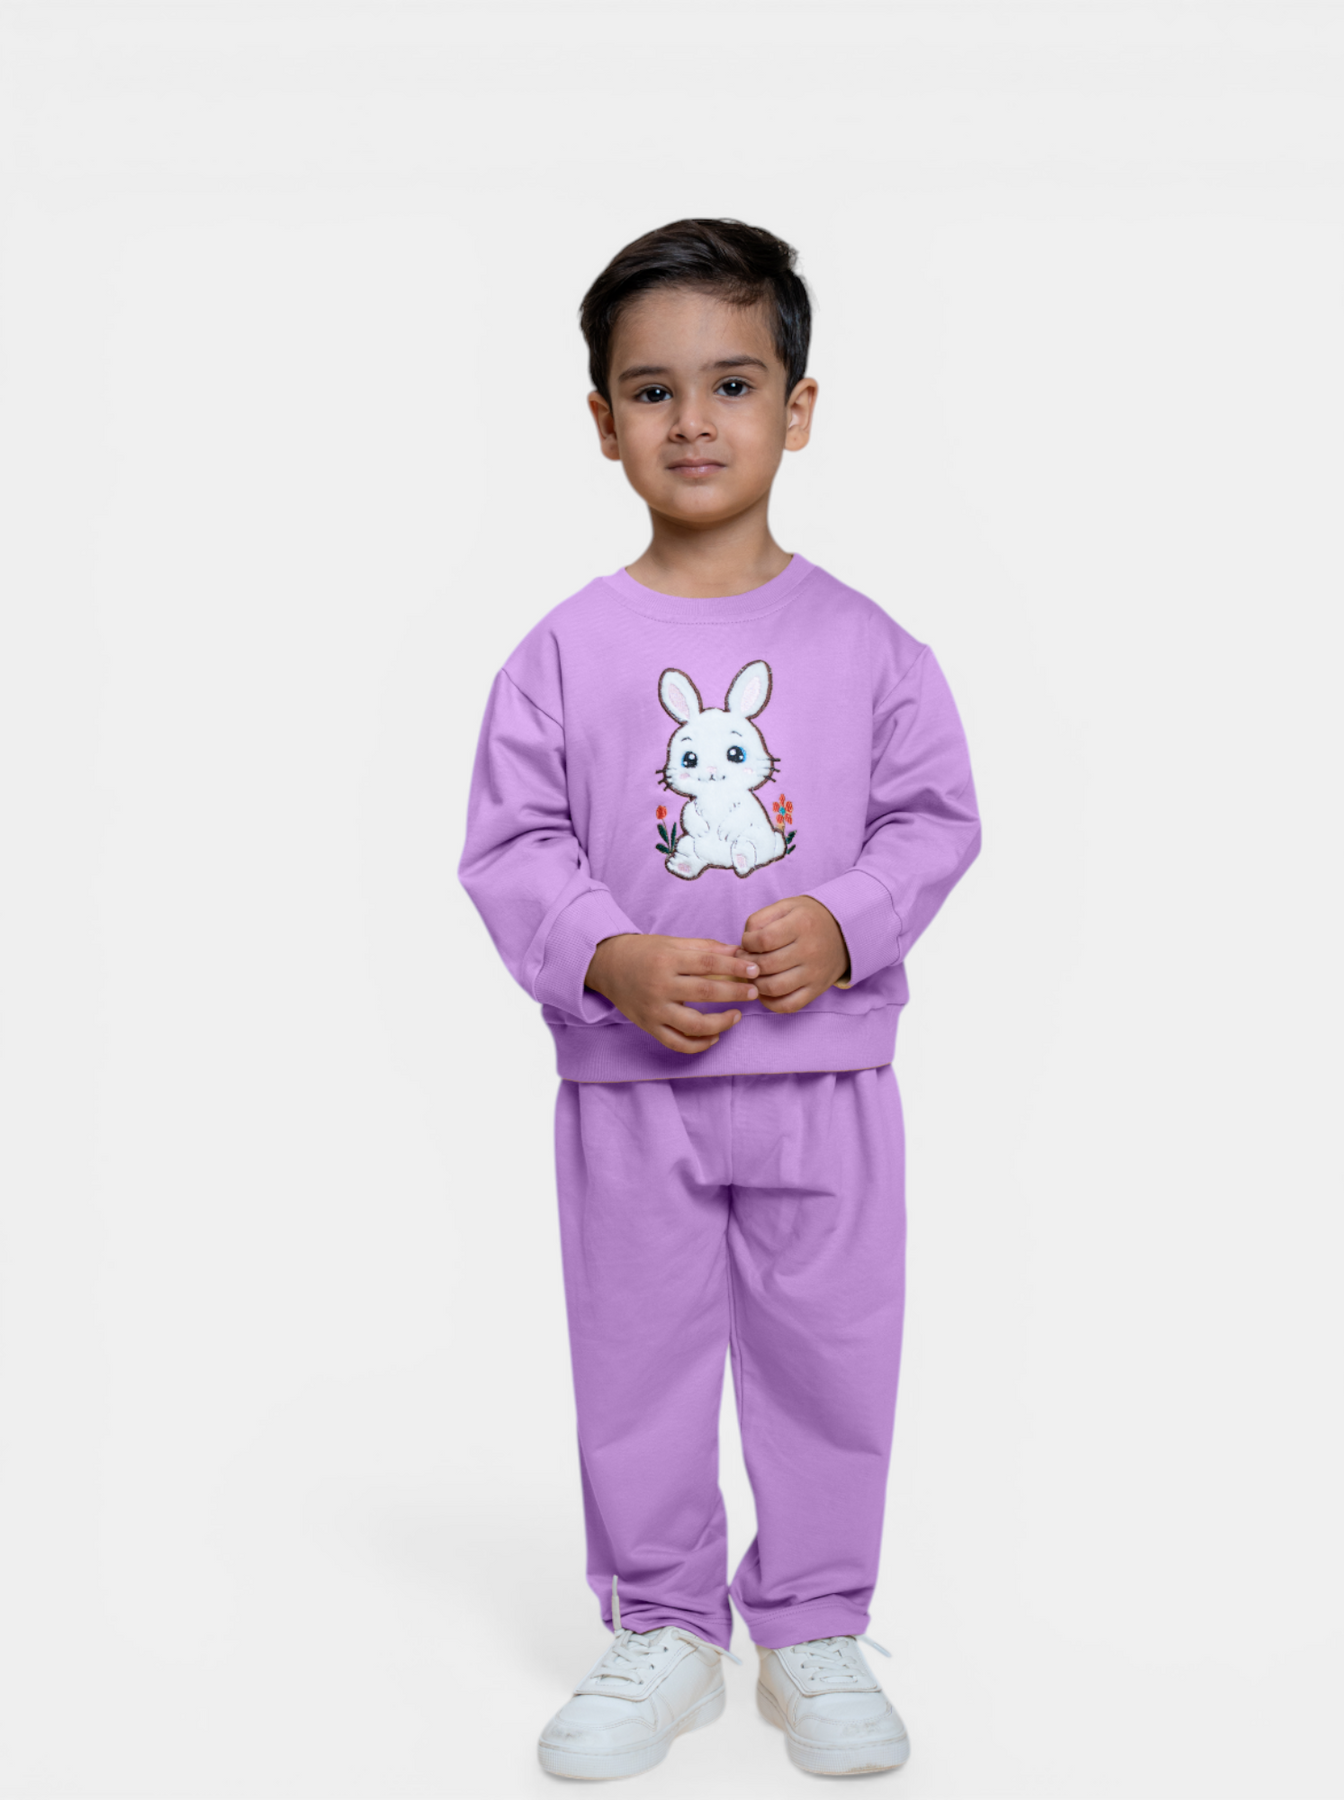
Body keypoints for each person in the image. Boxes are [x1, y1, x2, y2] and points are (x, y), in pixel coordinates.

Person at [457, 217, 982, 1780]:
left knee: (832, 1355)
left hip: (829, 1085)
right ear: (603, 420)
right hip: (634, 1095)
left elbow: (934, 820)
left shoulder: (871, 648)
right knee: (638, 1363)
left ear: (797, 409)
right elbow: (512, 844)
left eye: (733, 383)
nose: (694, 419)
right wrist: (605, 955)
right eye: (653, 390)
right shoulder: (562, 655)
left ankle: (812, 1623)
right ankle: (665, 1628)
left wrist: (851, 923)